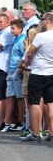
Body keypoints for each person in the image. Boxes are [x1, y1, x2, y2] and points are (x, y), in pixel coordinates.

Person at [21, 13, 53, 142]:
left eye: (42, 20)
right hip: (51, 72)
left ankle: (35, 133)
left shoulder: (41, 36)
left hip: (39, 72)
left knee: (34, 102)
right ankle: (51, 131)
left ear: (47, 21)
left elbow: (29, 52)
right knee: (51, 103)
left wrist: (26, 62)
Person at [1, 19, 26, 132]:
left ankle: (21, 121)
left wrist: (18, 71)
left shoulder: (22, 41)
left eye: (13, 28)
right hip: (11, 71)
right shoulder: (16, 40)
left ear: (20, 29)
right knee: (10, 96)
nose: (11, 30)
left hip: (17, 71)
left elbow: (24, 57)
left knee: (19, 97)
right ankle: (7, 122)